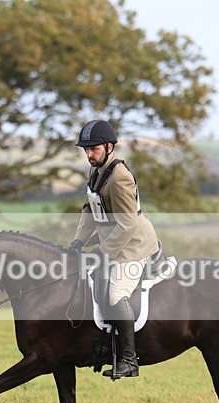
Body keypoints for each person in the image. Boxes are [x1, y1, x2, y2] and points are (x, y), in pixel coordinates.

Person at [70, 119, 159, 379]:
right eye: (85, 149)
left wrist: (102, 253)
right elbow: (90, 209)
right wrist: (79, 241)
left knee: (115, 294)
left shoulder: (119, 177)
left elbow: (128, 224)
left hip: (133, 245)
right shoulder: (97, 171)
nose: (88, 154)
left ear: (109, 147)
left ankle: (129, 360)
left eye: (93, 149)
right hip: (115, 240)